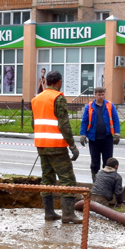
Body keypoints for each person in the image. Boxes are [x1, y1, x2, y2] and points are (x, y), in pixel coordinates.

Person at [32, 69, 80, 223]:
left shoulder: (36, 99)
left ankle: (49, 213)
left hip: (41, 145)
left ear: (46, 81)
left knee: (47, 178)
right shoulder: (58, 98)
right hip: (57, 146)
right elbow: (64, 124)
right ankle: (68, 215)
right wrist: (72, 146)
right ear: (59, 82)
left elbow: (35, 123)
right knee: (68, 180)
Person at [79, 86, 121, 181]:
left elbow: (115, 120)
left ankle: (107, 180)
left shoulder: (110, 106)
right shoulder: (89, 107)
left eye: (103, 94)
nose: (101, 96)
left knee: (108, 160)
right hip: (94, 139)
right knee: (95, 161)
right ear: (95, 95)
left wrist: (117, 134)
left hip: (107, 138)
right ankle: (95, 180)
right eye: (99, 95)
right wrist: (83, 134)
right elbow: (84, 122)